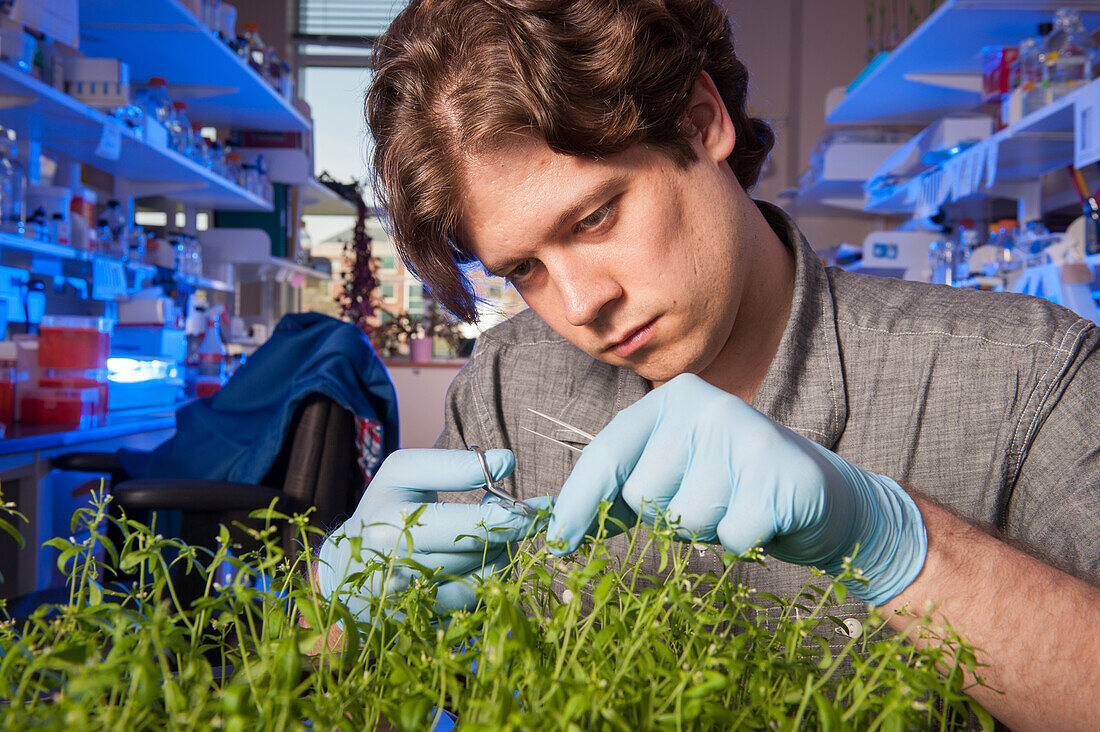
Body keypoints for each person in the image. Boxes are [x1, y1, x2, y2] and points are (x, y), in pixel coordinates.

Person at [314, 1, 1100, 728]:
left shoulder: (1025, 376)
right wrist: (340, 620)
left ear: (701, 121)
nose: (581, 302)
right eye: (524, 268)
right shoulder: (508, 382)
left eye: (595, 217)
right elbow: (408, 691)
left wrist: (896, 542)